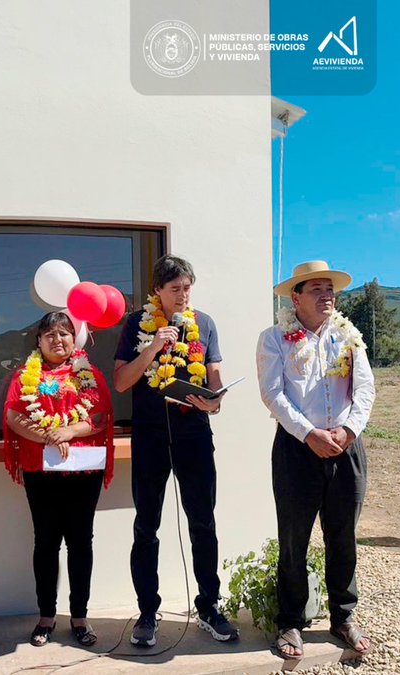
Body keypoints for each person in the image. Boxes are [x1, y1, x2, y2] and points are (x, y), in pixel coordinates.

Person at [113, 254, 238, 646]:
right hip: (150, 436)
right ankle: (147, 613)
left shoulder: (205, 324)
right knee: (146, 526)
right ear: (157, 292)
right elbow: (120, 382)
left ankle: (209, 607)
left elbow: (214, 379)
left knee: (203, 522)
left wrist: (213, 401)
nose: (183, 295)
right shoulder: (136, 324)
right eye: (175, 289)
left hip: (194, 434)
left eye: (187, 288)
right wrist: (151, 348)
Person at [256, 261, 375, 658]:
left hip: (346, 446)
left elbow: (365, 389)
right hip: (297, 449)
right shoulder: (274, 339)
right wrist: (309, 433)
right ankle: (290, 622)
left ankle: (343, 617)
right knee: (294, 539)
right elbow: (274, 394)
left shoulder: (348, 337)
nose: (327, 296)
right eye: (317, 289)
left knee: (343, 536)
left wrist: (348, 431)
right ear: (296, 297)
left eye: (331, 290)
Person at [2, 311, 114, 648]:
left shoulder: (88, 374)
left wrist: (66, 431)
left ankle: (79, 616)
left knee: (81, 542)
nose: (57, 339)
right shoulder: (25, 377)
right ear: (38, 341)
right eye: (49, 334)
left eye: (64, 333)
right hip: (41, 471)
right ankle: (46, 616)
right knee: (46, 542)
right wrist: (49, 437)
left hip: (83, 471)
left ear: (73, 338)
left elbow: (100, 416)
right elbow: (13, 415)